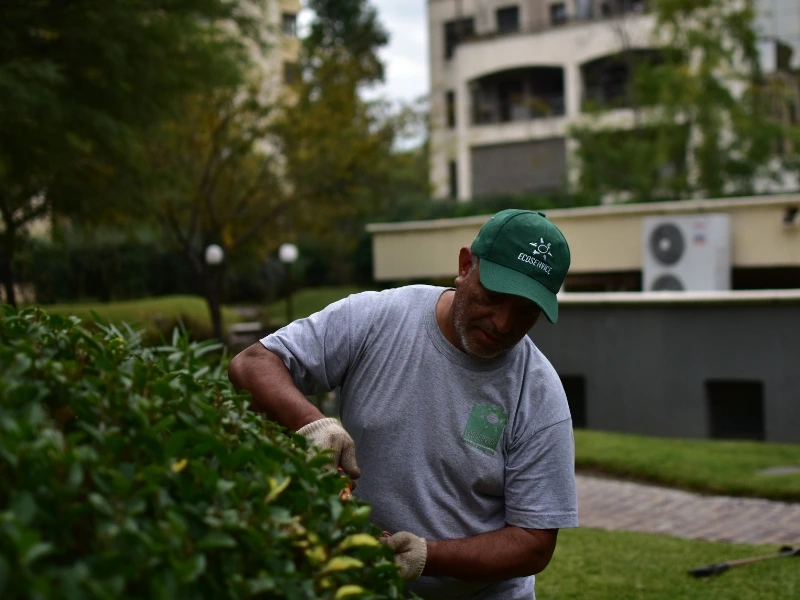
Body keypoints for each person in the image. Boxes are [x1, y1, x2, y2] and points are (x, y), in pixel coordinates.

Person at [228, 209, 579, 599]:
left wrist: (429, 556)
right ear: (465, 266)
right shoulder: (378, 318)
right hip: (359, 585)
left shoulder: (539, 394)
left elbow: (534, 542)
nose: (503, 323)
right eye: (494, 297)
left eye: (526, 312)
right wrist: (314, 425)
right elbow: (252, 364)